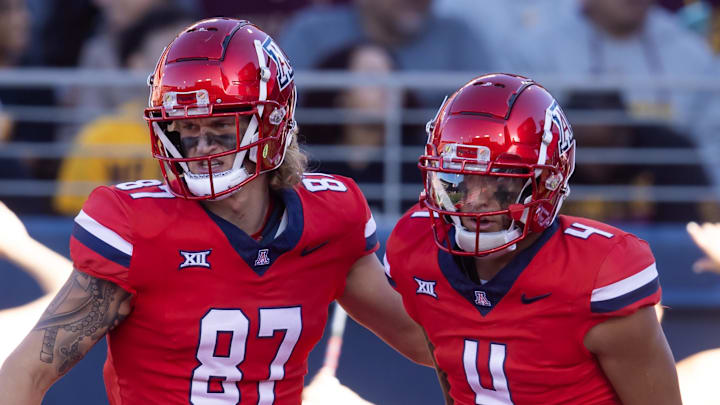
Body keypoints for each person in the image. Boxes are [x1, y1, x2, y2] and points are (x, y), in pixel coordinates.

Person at [0, 18, 431, 404]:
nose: (203, 146)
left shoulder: (330, 217)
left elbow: (425, 341)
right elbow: (29, 370)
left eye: (221, 128)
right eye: (188, 129)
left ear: (271, 127)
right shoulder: (137, 226)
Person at [384, 73, 681, 404]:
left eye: (501, 182)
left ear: (547, 183)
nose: (475, 200)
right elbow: (451, 378)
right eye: (459, 178)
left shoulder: (599, 271)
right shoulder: (416, 245)